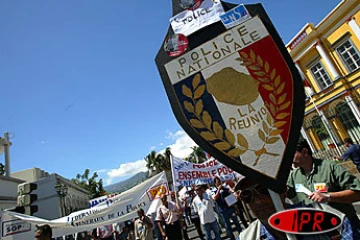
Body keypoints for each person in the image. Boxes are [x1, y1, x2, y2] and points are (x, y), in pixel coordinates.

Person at [235, 177, 353, 240]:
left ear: (283, 191)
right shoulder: (247, 237)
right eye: (247, 195)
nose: (258, 201)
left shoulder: (324, 216)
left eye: (263, 190)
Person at [287, 139, 360, 238]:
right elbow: (283, 195)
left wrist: (329, 196)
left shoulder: (330, 168)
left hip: (345, 226)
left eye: (291, 153)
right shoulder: (294, 176)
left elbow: (357, 193)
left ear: (304, 152)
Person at [213, 176, 242, 240]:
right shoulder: (214, 191)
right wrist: (219, 190)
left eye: (219, 181)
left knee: (237, 223)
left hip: (231, 209)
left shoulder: (225, 188)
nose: (219, 183)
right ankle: (232, 238)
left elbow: (231, 197)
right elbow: (215, 198)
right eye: (217, 182)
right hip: (223, 211)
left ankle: (241, 236)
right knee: (227, 226)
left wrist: (235, 206)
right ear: (215, 184)